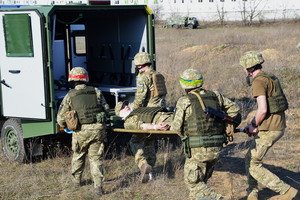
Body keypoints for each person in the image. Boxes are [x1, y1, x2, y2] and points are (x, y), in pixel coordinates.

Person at [170, 69, 241, 200]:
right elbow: (235, 109)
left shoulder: (185, 100)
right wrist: (226, 125)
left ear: (184, 85)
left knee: (193, 183)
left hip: (198, 149)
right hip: (216, 147)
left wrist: (185, 134)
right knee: (201, 186)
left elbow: (176, 127)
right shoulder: (216, 95)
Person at [239, 51, 298, 200]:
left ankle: (287, 192)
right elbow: (269, 107)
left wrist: (254, 124)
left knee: (253, 164)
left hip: (270, 128)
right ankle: (252, 192)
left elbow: (263, 109)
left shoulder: (258, 81)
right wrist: (254, 123)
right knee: (249, 158)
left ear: (248, 68)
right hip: (275, 125)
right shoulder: (270, 77)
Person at [57, 67, 109, 196]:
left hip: (80, 131)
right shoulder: (96, 91)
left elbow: (60, 118)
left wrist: (66, 126)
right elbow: (106, 110)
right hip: (97, 130)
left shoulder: (70, 95)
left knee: (78, 156)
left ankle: (76, 182)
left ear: (72, 80)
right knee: (96, 159)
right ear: (86, 78)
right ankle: (98, 188)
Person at [114, 101, 172, 183]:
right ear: (120, 113)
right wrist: (155, 127)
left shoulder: (135, 113)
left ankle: (144, 166)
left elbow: (143, 125)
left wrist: (156, 127)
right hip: (161, 120)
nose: (126, 106)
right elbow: (142, 126)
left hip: (162, 119)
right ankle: (147, 169)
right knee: (141, 141)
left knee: (137, 141)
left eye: (125, 105)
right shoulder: (128, 121)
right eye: (122, 107)